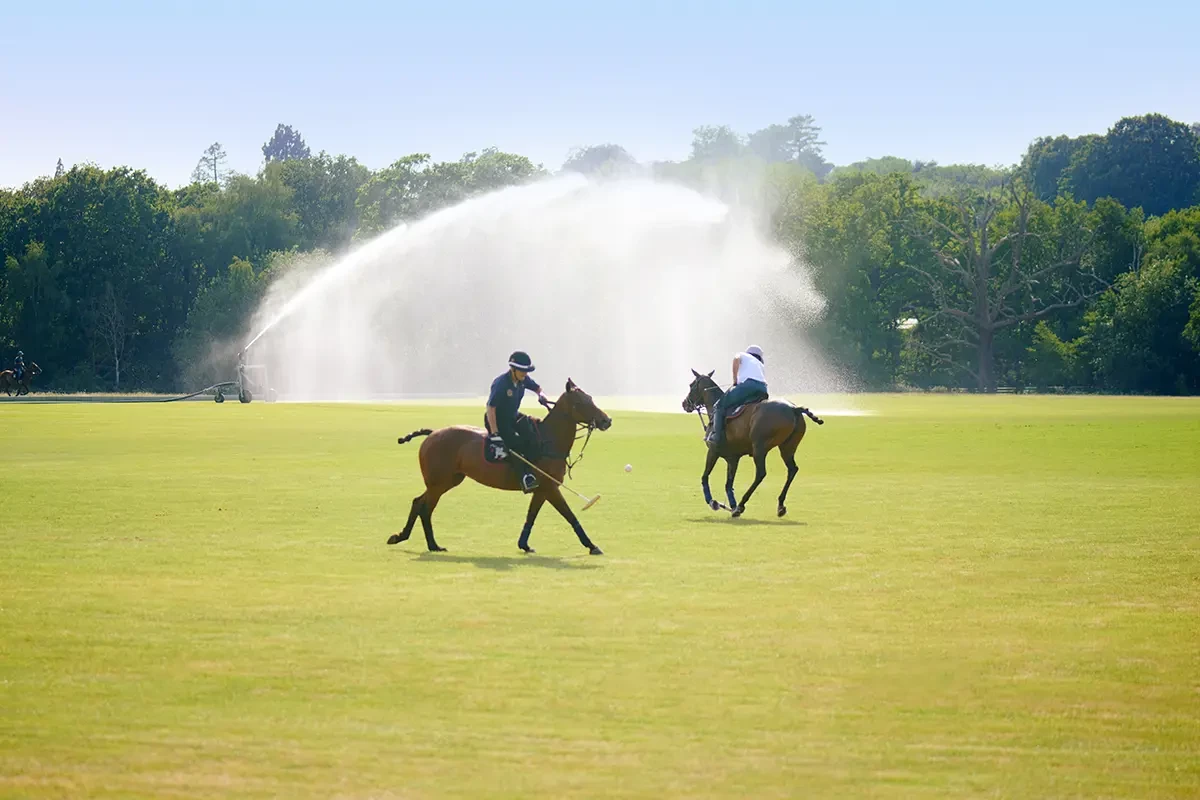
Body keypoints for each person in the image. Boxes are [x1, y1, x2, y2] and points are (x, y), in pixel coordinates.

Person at [485, 351, 552, 493]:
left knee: (532, 433)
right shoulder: (501, 383)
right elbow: (491, 408)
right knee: (515, 443)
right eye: (523, 370)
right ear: (513, 369)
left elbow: (537, 388)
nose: (525, 374)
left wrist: (542, 395)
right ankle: (525, 477)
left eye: (527, 371)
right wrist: (495, 434)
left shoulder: (523, 379)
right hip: (498, 419)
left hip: (512, 416)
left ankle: (535, 467)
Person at [706, 344, 769, 448]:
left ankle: (716, 436)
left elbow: (736, 359)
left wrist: (735, 380)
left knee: (718, 405)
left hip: (748, 386)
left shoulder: (743, 355)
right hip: (763, 389)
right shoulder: (760, 364)